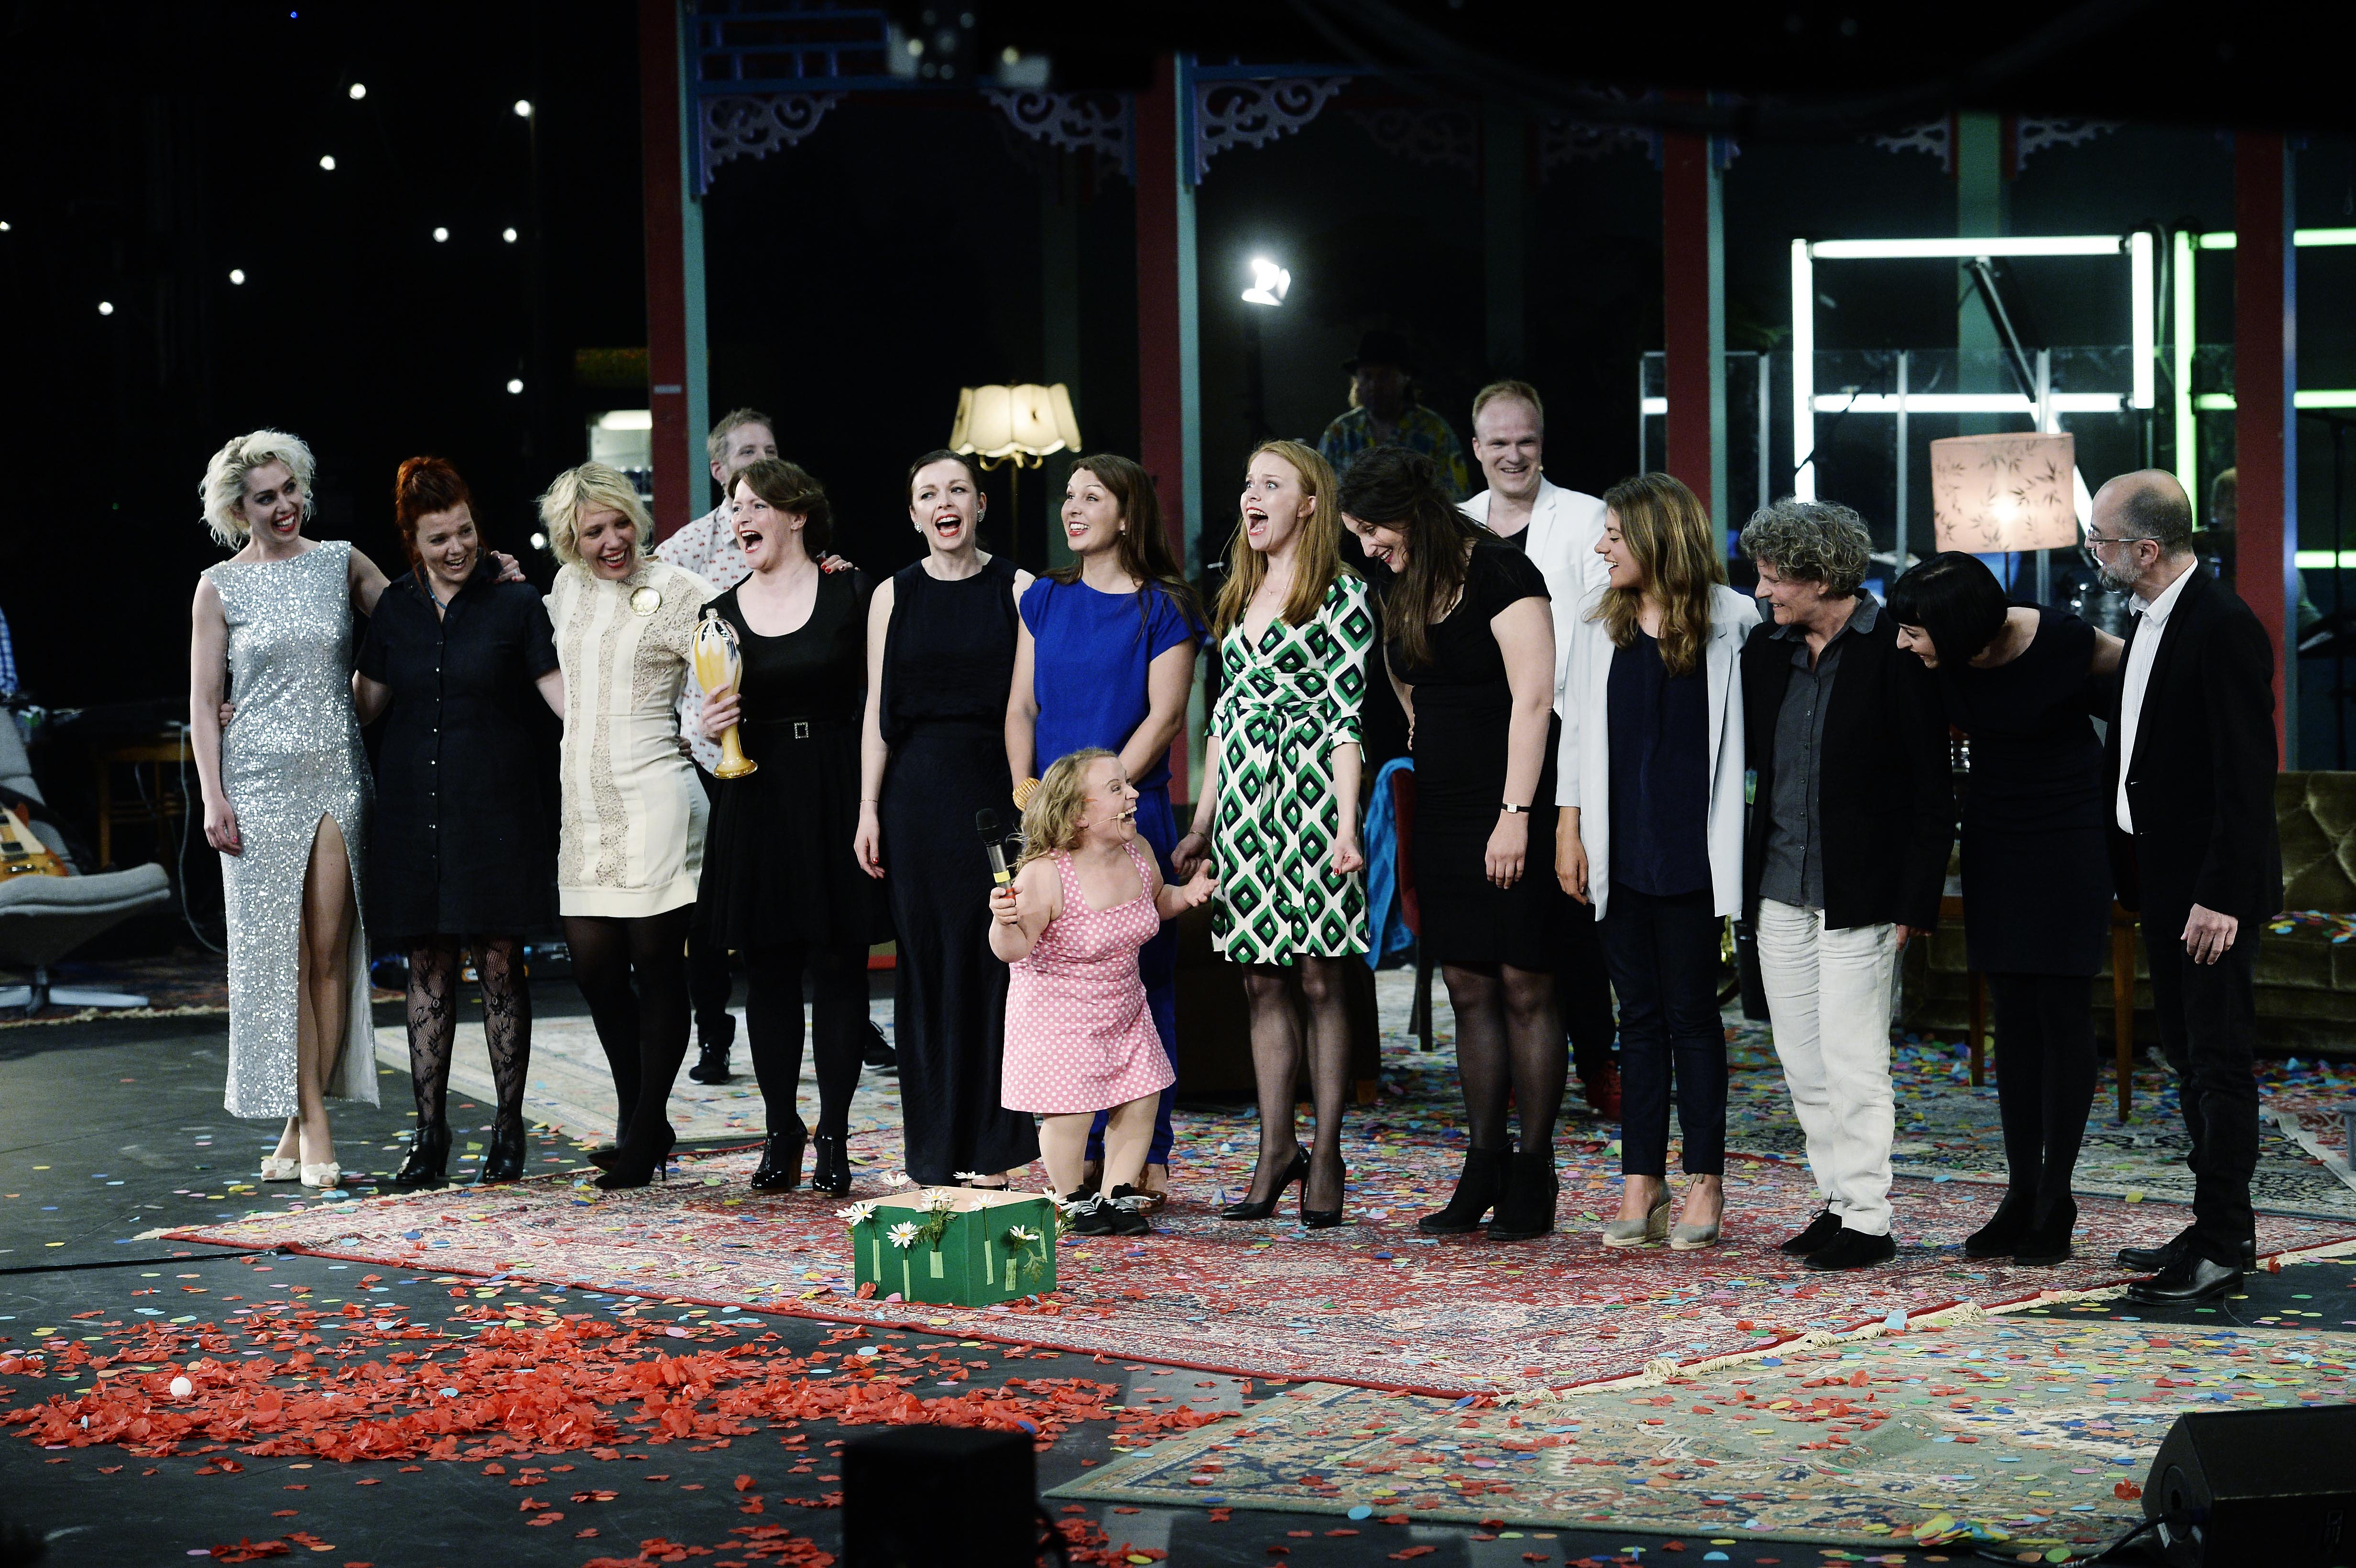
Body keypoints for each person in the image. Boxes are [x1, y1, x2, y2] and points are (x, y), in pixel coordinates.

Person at [1341, 446, 1564, 1241]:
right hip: (1440, 802)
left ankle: (1533, 1172)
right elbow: (1401, 675)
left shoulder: (1502, 571)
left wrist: (1515, 813)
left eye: (1372, 531)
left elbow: (1534, 698)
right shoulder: (1399, 582)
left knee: (1524, 982)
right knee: (1466, 982)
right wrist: (1418, 733)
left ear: (1410, 514)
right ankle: (1483, 1163)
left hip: (1511, 797)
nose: (1368, 548)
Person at [1888, 553, 2122, 1264]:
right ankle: (2020, 1192)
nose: (1902, 642)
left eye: (1914, 631)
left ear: (1957, 625)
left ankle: (2057, 1197)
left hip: (2072, 829)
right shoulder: (1932, 661)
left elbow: (2148, 690)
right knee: (2013, 1014)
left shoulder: (2065, 639)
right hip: (1995, 832)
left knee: (2061, 1008)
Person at [1738, 499, 1953, 1272]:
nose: (1762, 592)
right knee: (1802, 1061)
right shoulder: (1765, 650)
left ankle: (1868, 1217)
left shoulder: (1894, 647)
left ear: (1822, 577)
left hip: (1863, 889)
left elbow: (1931, 787)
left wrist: (1915, 898)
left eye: (1774, 578)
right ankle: (1834, 1202)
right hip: (1778, 882)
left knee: (1854, 1060)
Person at [2089, 471, 2282, 1307]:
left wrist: (2223, 895)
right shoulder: (2148, 617)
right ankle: (2209, 1225)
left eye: (2098, 539)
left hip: (2210, 893)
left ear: (2145, 548)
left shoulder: (2221, 623)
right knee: (2186, 1060)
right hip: (2161, 878)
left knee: (2217, 1064)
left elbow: (2246, 774)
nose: (2089, 552)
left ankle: (2223, 1243)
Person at [1173, 440, 1372, 1228]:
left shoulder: (1342, 593)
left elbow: (1347, 719)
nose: (1251, 497)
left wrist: (1347, 826)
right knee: (1260, 980)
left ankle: (1326, 1154)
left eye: (1271, 485)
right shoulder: (1237, 592)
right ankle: (1275, 1149)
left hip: (1315, 803)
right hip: (1248, 812)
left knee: (1321, 978)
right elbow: (1223, 721)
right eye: (1247, 483)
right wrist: (1202, 823)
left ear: (1309, 503)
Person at [1557, 474, 1756, 1250]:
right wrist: (1568, 829)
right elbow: (1576, 734)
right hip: (1618, 842)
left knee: (1692, 1016)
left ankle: (1705, 1177)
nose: (1602, 548)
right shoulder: (1595, 619)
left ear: (1656, 537)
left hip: (1692, 848)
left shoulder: (1732, 620)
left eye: (1614, 535)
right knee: (1635, 1017)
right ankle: (1640, 1179)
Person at [1005, 454, 1206, 1208]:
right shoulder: (1045, 598)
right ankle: (1079, 1153)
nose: (1073, 507)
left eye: (1092, 496)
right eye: (1069, 496)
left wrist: (1099, 800)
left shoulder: (1164, 606)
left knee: (1142, 990)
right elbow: (1021, 707)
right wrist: (1033, 794)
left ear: (1127, 515)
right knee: (1059, 990)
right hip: (1051, 823)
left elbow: (1166, 716)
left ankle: (1146, 1155)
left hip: (1125, 818)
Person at [360, 457, 567, 1189]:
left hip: (498, 812)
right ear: (413, 541)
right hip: (415, 815)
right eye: (439, 538)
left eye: (465, 531)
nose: (457, 548)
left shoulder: (515, 602)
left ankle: (508, 1130)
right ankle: (430, 1135)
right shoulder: (396, 608)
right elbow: (363, 705)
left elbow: (562, 697)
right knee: (428, 967)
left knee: (501, 964)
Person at [190, 431, 383, 1189]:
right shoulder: (218, 586)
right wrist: (214, 794)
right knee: (285, 961)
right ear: (239, 509)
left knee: (330, 955)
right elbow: (205, 704)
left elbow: (410, 623)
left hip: (337, 773)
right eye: (265, 497)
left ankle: (298, 1124)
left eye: (290, 489)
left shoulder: (340, 561)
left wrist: (489, 580)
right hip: (256, 785)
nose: (284, 506)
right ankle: (317, 1123)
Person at [697, 459, 886, 1198]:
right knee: (769, 970)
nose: (740, 518)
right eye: (734, 507)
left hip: (836, 784)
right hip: (758, 792)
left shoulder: (851, 590)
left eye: (755, 506)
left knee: (839, 965)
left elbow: (879, 702)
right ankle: (783, 1132)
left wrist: (873, 805)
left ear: (797, 515)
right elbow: (707, 711)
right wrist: (710, 724)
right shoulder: (718, 612)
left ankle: (833, 1134)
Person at [854, 451, 1041, 1188]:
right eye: (928, 494)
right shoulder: (892, 596)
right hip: (915, 800)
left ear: (980, 504)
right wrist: (868, 808)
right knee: (926, 968)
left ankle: (993, 1151)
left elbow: (1026, 709)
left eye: (957, 490)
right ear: (914, 515)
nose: (944, 503)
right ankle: (932, 1151)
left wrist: (1028, 804)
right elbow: (877, 714)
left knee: (994, 965)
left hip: (993, 793)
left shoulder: (1018, 588)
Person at [542, 462, 718, 1190]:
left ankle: (643, 1134)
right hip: (584, 806)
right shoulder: (565, 588)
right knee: (595, 972)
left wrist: (710, 727)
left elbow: (737, 660)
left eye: (621, 524)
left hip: (657, 798)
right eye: (594, 531)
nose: (612, 541)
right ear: (570, 539)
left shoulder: (681, 589)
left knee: (657, 966)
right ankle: (641, 1116)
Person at [1460, 379, 1621, 1120]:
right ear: (1477, 448)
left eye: (1526, 441)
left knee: (1570, 907)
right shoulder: (1457, 524)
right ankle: (1510, 1063)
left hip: (1564, 730)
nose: (1514, 455)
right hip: (1478, 743)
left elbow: (1599, 632)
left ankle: (1596, 1056)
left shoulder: (1586, 517)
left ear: (1543, 444)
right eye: (1499, 443)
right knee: (1496, 912)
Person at [990, 749, 1218, 1235]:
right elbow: (1013, 950)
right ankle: (1072, 1199)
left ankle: (1118, 1195)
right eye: (1116, 788)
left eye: (1127, 783)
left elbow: (1156, 902)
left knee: (1141, 1099)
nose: (1134, 794)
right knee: (1071, 1114)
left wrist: (1186, 895)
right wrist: (1002, 921)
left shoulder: (1139, 854)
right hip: (1058, 1017)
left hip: (1124, 1006)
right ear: (1078, 814)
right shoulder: (1045, 874)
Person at [656, 407, 777, 1086]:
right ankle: (713, 1033)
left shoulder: (797, 532)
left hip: (778, 744)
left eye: (770, 451)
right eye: (747, 453)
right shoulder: (687, 549)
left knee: (779, 898)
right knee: (706, 908)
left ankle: (851, 1028)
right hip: (706, 754)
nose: (761, 462)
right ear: (718, 468)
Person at [1317, 329, 1471, 500]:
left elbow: (1457, 499)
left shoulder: (1434, 432)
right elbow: (1319, 493)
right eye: (1367, 376)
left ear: (1405, 378)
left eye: (1384, 376)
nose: (1374, 386)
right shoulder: (1339, 434)